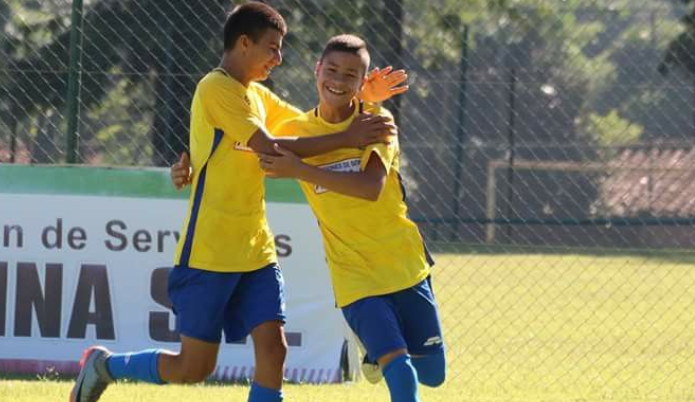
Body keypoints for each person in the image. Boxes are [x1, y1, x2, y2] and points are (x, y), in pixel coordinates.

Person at [70, 3, 407, 402]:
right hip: (209, 253)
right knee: (193, 368)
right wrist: (348, 138)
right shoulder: (215, 88)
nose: (279, 58)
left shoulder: (258, 96)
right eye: (273, 47)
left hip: (257, 251)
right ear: (244, 43)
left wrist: (362, 100)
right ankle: (103, 365)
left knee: (274, 349)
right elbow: (270, 147)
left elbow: (308, 128)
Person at [257, 34, 447, 402]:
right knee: (402, 374)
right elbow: (246, 145)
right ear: (317, 71)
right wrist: (187, 165)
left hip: (404, 264)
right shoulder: (295, 132)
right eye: (332, 70)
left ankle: (375, 351)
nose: (338, 81)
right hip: (354, 276)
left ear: (362, 82)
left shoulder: (377, 120)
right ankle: (382, 348)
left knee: (433, 375)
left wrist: (300, 170)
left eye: (350, 75)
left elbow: (370, 187)